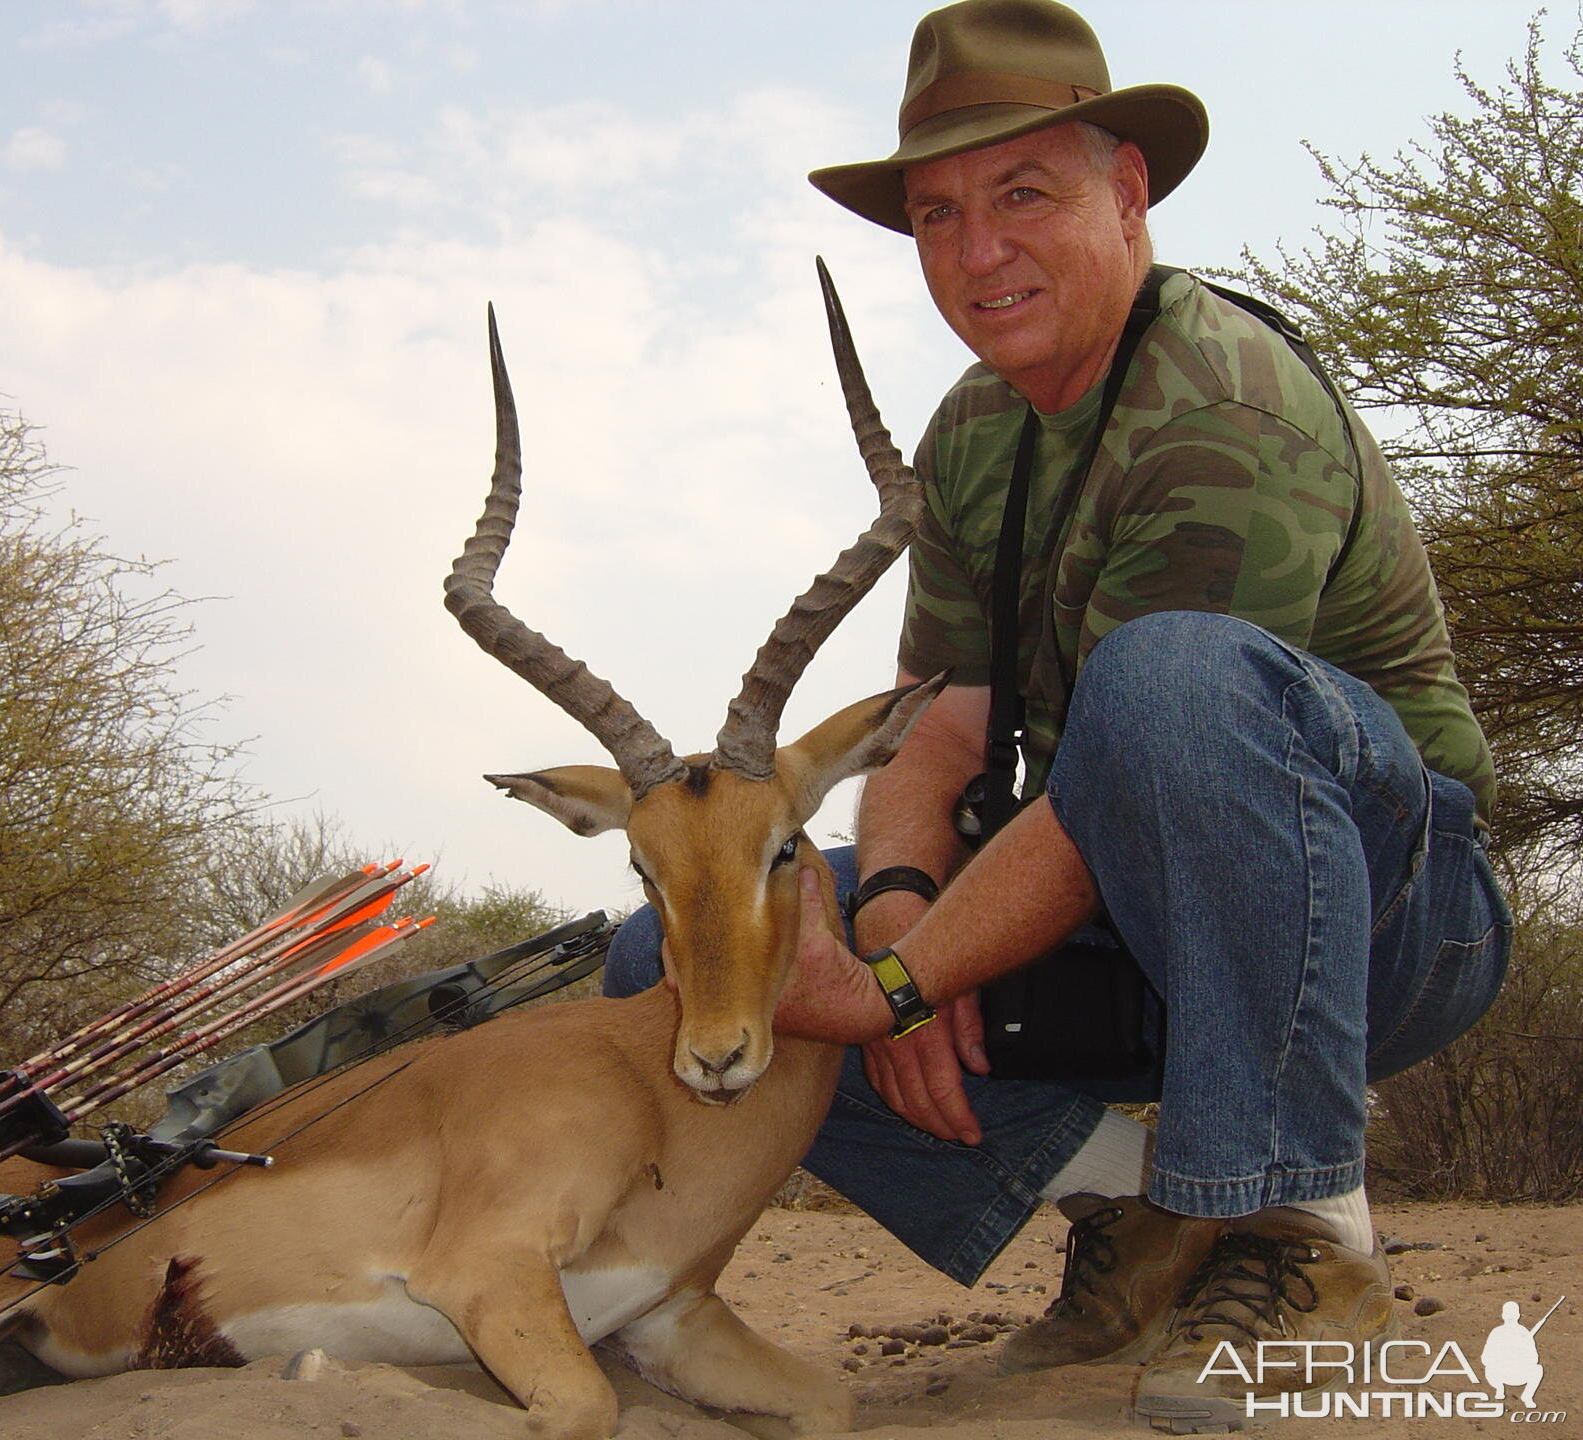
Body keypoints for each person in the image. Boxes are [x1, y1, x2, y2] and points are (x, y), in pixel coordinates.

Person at [604, 0, 1511, 1429]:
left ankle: (1303, 1237)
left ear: (1129, 190)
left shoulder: (1224, 400)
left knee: (1172, 686)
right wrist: (897, 908)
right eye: (938, 212)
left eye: (1024, 193)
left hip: (1396, 916)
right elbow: (942, 723)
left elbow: (1166, 757)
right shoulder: (976, 429)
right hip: (1129, 910)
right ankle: (1145, 1211)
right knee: (676, 950)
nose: (975, 253)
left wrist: (906, 986)